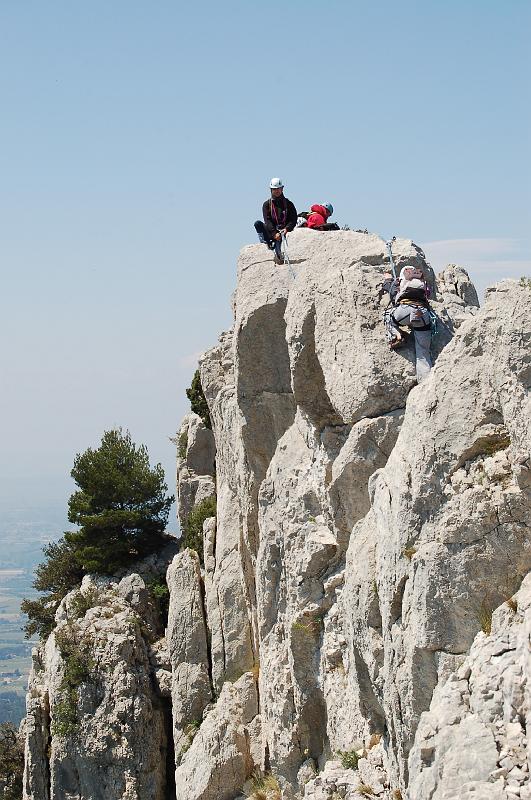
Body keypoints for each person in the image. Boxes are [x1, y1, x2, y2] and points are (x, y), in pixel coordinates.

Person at [382, 266, 433, 382]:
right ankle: (425, 384)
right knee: (423, 352)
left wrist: (388, 280)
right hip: (422, 314)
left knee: (387, 316)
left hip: (405, 310)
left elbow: (392, 293)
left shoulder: (400, 281)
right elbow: (427, 295)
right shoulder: (421, 282)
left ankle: (397, 336)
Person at [254, 178, 297, 264]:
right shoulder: (267, 204)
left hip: (282, 232)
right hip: (271, 231)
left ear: (282, 189)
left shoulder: (288, 204)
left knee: (279, 256)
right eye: (274, 189)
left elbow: (293, 219)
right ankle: (266, 243)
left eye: (278, 188)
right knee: (257, 224)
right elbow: (267, 220)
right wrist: (274, 234)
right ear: (271, 190)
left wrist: (287, 229)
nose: (276, 191)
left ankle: (278, 253)